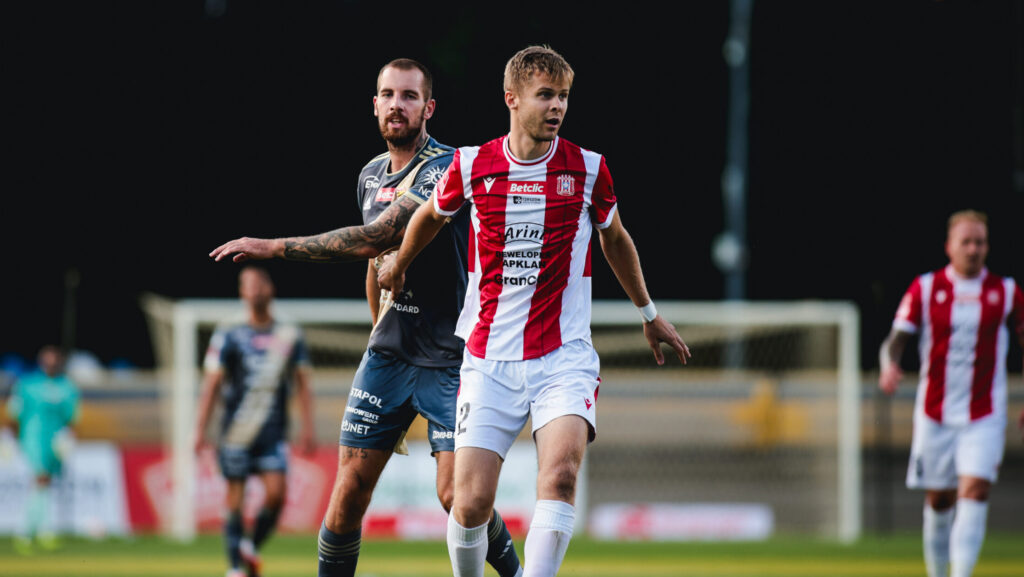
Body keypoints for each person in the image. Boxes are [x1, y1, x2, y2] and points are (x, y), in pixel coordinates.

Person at [376, 45, 691, 577]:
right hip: (489, 357)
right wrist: (398, 265)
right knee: (468, 501)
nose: (557, 107)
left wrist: (648, 311)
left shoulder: (589, 170)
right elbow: (430, 216)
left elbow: (616, 239)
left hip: (563, 357)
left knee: (561, 476)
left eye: (564, 96)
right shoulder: (473, 165)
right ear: (513, 99)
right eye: (546, 95)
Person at [208, 58, 523, 577]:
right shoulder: (370, 175)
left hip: (452, 357)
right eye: (387, 95)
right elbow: (378, 265)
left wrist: (272, 246)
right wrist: (377, 328)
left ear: (429, 108)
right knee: (348, 491)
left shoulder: (445, 167)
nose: (397, 104)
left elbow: (377, 239)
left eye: (409, 96)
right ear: (374, 104)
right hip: (390, 356)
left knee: (455, 496)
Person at [878, 209, 1024, 577]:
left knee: (974, 490)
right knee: (940, 500)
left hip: (984, 414)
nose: (974, 249)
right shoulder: (926, 288)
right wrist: (888, 365)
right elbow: (894, 341)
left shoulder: (1005, 292)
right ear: (949, 247)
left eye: (980, 242)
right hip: (935, 413)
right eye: (966, 242)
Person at [194, 265, 316, 577]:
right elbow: (212, 385)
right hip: (236, 431)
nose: (256, 288)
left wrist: (309, 428)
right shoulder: (229, 334)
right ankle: (235, 567)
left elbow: (302, 384)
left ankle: (250, 546)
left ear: (271, 289)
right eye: (248, 284)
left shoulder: (289, 334)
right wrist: (200, 430)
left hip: (273, 431)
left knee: (277, 495)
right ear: (241, 292)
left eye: (261, 281)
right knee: (234, 499)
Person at [5, 344, 81, 555]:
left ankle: (38, 531)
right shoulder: (28, 384)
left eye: (54, 359)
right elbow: (14, 413)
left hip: (55, 441)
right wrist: (11, 438)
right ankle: (29, 533)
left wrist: (69, 437)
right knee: (40, 478)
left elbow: (73, 416)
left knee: (44, 482)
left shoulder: (67, 387)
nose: (51, 363)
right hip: (32, 438)